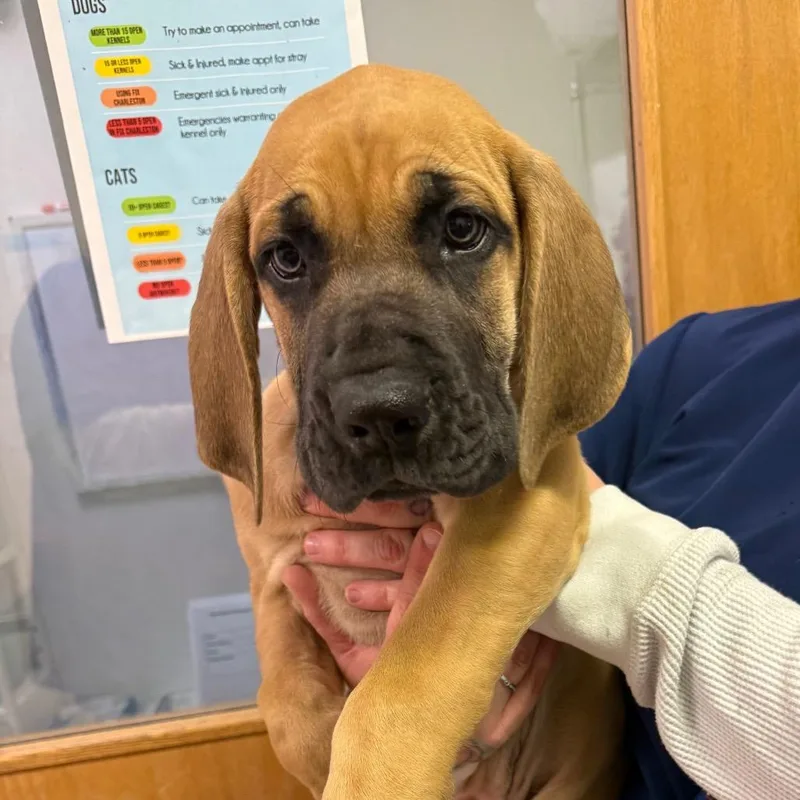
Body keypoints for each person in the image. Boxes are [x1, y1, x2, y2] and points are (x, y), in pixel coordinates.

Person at [283, 299, 800, 800]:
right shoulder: (702, 357)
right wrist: (461, 752)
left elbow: (546, 521)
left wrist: (413, 718)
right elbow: (539, 514)